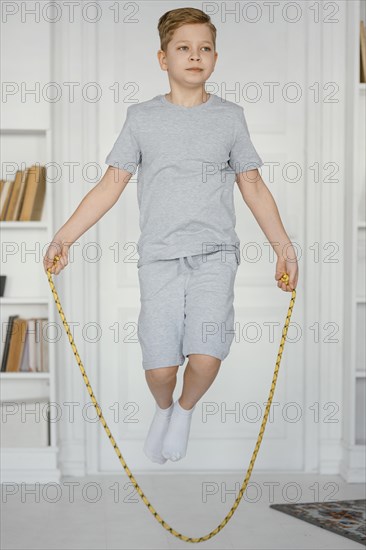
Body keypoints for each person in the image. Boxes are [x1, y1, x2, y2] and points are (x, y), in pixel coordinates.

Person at [43, 7, 299, 465]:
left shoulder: (230, 117)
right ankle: (164, 407)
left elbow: (253, 185)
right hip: (159, 258)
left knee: (205, 357)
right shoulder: (141, 118)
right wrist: (64, 237)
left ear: (215, 59)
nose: (194, 56)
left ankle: (184, 411)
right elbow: (111, 184)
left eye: (204, 49)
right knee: (161, 368)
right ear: (163, 59)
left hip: (215, 256)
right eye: (183, 48)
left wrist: (284, 249)